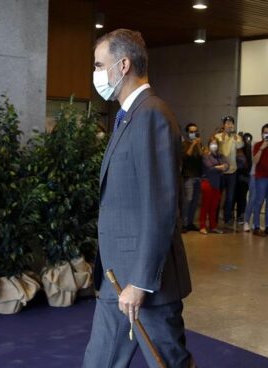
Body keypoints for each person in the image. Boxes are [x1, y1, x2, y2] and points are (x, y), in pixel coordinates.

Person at [84, 29, 194, 368]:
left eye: (100, 65)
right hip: (116, 277)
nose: (96, 73)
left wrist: (141, 282)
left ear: (124, 64)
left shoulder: (151, 115)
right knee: (99, 361)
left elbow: (160, 207)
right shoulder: (128, 116)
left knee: (169, 362)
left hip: (144, 285)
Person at [215, 115, 244, 226]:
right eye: (227, 123)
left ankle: (227, 219)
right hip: (220, 171)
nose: (229, 125)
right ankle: (215, 218)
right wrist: (223, 135)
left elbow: (240, 145)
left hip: (232, 171)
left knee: (230, 197)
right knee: (218, 196)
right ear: (223, 125)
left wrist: (235, 137)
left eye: (231, 123)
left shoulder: (236, 137)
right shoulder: (218, 136)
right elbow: (216, 148)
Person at [198, 137, 229, 234]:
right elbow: (210, 168)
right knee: (205, 206)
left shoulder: (220, 155)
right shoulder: (206, 155)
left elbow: (227, 166)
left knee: (214, 207)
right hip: (207, 183)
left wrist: (221, 167)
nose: (214, 145)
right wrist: (221, 167)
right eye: (212, 143)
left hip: (217, 184)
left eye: (215, 143)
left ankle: (213, 226)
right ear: (209, 145)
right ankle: (202, 226)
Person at [181, 123, 203, 232]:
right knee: (188, 201)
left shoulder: (199, 144)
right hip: (188, 176)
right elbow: (185, 157)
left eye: (195, 131)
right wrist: (193, 145)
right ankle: (184, 223)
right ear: (187, 133)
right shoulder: (184, 144)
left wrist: (198, 145)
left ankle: (190, 222)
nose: (193, 134)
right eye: (191, 132)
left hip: (198, 176)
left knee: (195, 202)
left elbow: (201, 156)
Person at [235, 132, 253, 225]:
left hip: (244, 176)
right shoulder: (236, 149)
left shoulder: (249, 149)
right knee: (235, 196)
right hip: (235, 175)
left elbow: (249, 163)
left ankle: (241, 215)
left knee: (242, 196)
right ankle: (237, 215)